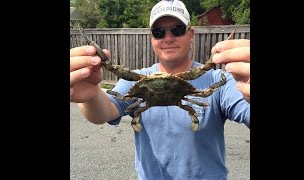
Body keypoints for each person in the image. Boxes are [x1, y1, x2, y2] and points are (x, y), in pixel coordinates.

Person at [70, 0, 250, 179]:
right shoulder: (137, 78)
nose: (168, 38)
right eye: (158, 32)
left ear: (190, 34)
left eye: (177, 29)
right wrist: (91, 94)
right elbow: (104, 112)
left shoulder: (217, 79)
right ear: (152, 38)